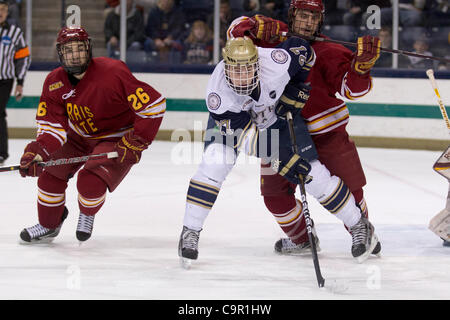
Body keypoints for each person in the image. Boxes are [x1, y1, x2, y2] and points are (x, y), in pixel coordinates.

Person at [178, 36, 380, 267]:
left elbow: (305, 51)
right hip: (235, 124)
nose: (242, 78)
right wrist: (283, 159)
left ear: (258, 64)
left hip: (275, 119)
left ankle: (358, 225)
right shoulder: (218, 96)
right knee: (213, 165)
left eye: (247, 70)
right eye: (236, 71)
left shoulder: (276, 62)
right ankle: (190, 231)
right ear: (225, 69)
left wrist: (297, 86)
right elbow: (248, 139)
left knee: (312, 174)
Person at [225, 0, 381, 256]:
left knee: (351, 188)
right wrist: (252, 25)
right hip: (279, 134)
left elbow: (352, 90)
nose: (309, 22)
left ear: (320, 21)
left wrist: (361, 67)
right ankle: (302, 239)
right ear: (292, 15)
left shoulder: (329, 50)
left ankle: (361, 230)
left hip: (326, 133)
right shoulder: (270, 40)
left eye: (314, 17)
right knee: (274, 196)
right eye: (303, 16)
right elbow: (233, 37)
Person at [18, 26, 166, 243]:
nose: (75, 55)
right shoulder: (54, 81)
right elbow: (52, 126)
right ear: (60, 53)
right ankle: (49, 225)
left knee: (90, 182)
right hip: (78, 136)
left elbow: (153, 105)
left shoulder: (113, 72)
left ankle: (87, 213)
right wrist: (38, 152)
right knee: (50, 176)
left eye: (79, 48)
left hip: (116, 138)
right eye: (69, 50)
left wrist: (137, 141)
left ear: (88, 49)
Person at [0, 0, 30, 166]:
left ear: (7, 13)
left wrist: (20, 82)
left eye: (3, 10)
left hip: (5, 79)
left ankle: (2, 152)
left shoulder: (14, 32)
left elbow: (23, 57)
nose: (0, 13)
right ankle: (2, 151)